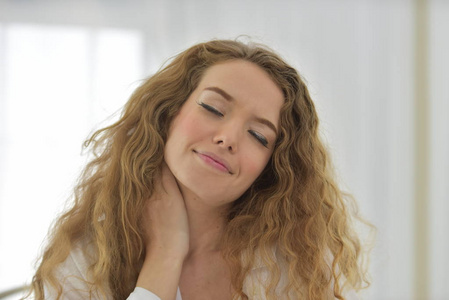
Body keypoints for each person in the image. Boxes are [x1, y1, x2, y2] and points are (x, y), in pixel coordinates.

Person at [28, 39, 370, 300]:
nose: (227, 138)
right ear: (167, 114)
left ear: (271, 167)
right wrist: (165, 254)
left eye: (258, 135)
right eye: (212, 107)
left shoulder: (291, 271)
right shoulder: (84, 256)